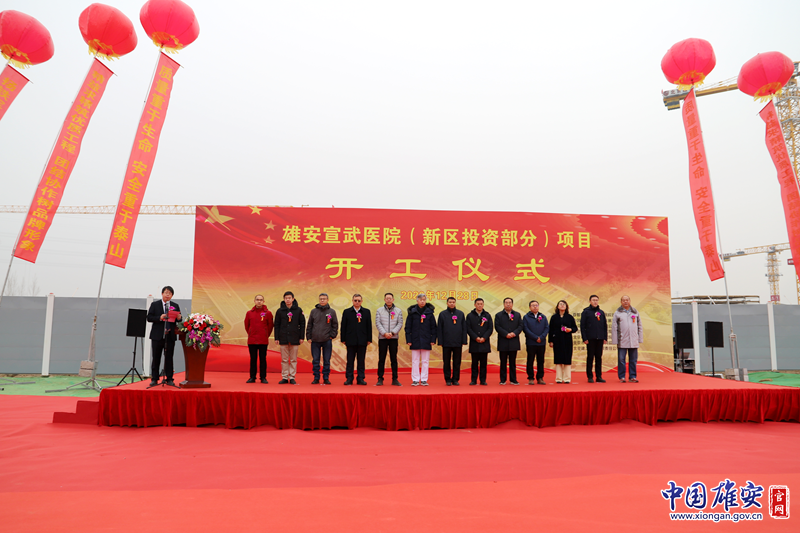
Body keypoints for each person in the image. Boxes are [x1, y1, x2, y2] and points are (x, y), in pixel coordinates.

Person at [146, 286, 182, 386]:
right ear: (162, 294)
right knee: (156, 358)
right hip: (157, 336)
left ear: (172, 295)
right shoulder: (155, 305)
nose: (167, 294)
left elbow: (178, 320)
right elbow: (149, 317)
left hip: (169, 336)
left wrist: (179, 318)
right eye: (166, 292)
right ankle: (154, 379)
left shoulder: (175, 305)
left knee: (169, 358)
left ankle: (169, 378)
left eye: (170, 293)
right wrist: (160, 317)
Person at [306, 293, 338, 385]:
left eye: (324, 299)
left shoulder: (332, 312)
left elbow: (335, 325)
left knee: (326, 360)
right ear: (319, 300)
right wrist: (309, 337)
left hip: (327, 340)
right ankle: (316, 377)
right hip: (315, 340)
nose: (322, 300)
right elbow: (309, 325)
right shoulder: (313, 311)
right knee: (315, 360)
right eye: (321, 299)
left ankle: (326, 377)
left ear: (328, 300)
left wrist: (332, 335)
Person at [405, 293, 437, 386]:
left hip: (426, 340)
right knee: (415, 361)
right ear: (417, 301)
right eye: (420, 300)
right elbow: (408, 327)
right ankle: (415, 379)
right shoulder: (412, 312)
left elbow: (434, 327)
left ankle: (424, 379)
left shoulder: (429, 313)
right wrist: (409, 339)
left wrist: (433, 339)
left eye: (424, 300)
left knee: (425, 361)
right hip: (414, 339)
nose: (422, 301)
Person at [340, 293, 372, 385]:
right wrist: (343, 339)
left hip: (362, 340)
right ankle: (349, 378)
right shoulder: (347, 312)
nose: (357, 302)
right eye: (355, 300)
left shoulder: (366, 312)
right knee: (350, 361)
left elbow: (369, 326)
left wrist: (369, 339)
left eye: (359, 300)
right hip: (350, 340)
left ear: (361, 301)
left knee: (361, 361)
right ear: (352, 301)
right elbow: (343, 326)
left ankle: (360, 378)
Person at [273, 291, 305, 385]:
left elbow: (302, 324)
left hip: (295, 337)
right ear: (284, 299)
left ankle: (292, 377)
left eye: (289, 298)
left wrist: (301, 337)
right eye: (286, 298)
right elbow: (276, 325)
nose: (288, 300)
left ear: (293, 299)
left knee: (294, 359)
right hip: (283, 337)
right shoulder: (280, 311)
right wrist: (276, 337)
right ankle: (284, 377)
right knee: (284, 360)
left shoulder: (298, 310)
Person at [612, 295, 644, 383]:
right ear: (621, 302)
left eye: (627, 300)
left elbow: (640, 326)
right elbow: (614, 327)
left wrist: (639, 339)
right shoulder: (617, 313)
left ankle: (632, 376)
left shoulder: (635, 312)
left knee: (633, 360)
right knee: (621, 360)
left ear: (630, 301)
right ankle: (622, 377)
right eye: (623, 300)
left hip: (633, 340)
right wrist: (615, 340)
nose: (625, 301)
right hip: (622, 340)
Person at [437, 297, 467, 386]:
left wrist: (464, 340)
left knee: (457, 362)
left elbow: (464, 328)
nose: (452, 303)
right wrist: (440, 341)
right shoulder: (442, 314)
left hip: (458, 342)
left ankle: (455, 379)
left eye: (453, 302)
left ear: (455, 303)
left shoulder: (460, 314)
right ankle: (448, 379)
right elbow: (439, 329)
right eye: (450, 302)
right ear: (447, 303)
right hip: (446, 342)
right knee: (446, 362)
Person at [375, 292, 404, 386]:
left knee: (393, 359)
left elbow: (400, 323)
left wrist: (392, 333)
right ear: (384, 300)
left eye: (390, 298)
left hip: (393, 338)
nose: (388, 300)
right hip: (382, 338)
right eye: (387, 298)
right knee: (381, 359)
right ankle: (380, 378)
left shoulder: (398, 311)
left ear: (393, 300)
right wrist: (384, 333)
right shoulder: (379, 310)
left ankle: (395, 379)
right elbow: (378, 323)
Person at [244, 294, 273, 384]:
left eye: (261, 300)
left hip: (263, 340)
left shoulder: (268, 313)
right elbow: (246, 325)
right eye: (257, 299)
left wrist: (265, 334)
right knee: (253, 359)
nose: (259, 301)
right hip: (252, 340)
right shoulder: (249, 313)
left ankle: (263, 377)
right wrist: (251, 333)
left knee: (263, 359)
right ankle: (252, 377)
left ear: (263, 301)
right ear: (254, 301)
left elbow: (270, 326)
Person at [580, 294, 608, 383]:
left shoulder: (601, 312)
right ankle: (590, 376)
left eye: (596, 300)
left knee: (598, 357)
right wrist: (584, 338)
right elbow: (582, 326)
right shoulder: (586, 312)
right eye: (593, 300)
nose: (595, 302)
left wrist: (605, 337)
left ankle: (599, 376)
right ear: (590, 301)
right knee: (590, 357)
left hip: (600, 338)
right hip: (590, 339)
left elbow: (605, 326)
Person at [494, 297, 522, 385]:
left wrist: (514, 333)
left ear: (512, 304)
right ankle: (503, 380)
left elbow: (520, 326)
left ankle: (513, 379)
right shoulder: (498, 315)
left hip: (514, 342)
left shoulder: (517, 315)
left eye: (510, 302)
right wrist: (506, 334)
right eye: (506, 302)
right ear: (504, 304)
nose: (508, 304)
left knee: (512, 362)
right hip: (503, 341)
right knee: (503, 362)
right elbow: (497, 326)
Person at [549, 300, 577, 384]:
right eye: (560, 304)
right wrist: (551, 340)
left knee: (567, 358)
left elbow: (575, 328)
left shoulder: (569, 317)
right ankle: (558, 378)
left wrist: (570, 329)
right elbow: (550, 330)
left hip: (567, 340)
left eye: (564, 304)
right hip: (557, 340)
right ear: (557, 306)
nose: (562, 305)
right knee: (558, 359)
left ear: (566, 306)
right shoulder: (554, 317)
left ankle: (567, 378)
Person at [466, 298, 493, 386]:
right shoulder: (470, 315)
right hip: (474, 343)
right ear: (475, 305)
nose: (479, 305)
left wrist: (484, 337)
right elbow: (468, 328)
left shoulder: (487, 315)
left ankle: (483, 380)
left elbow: (490, 328)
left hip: (484, 343)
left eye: (481, 304)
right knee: (474, 363)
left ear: (483, 305)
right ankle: (473, 380)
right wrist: (476, 337)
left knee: (483, 364)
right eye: (478, 304)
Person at [522, 300, 549, 385]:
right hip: (531, 342)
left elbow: (546, 328)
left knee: (541, 361)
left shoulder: (543, 317)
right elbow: (525, 329)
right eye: (533, 305)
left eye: (536, 305)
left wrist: (541, 337)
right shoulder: (526, 317)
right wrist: (535, 337)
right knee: (530, 360)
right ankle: (530, 377)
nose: (535, 307)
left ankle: (540, 377)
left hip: (541, 342)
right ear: (530, 307)